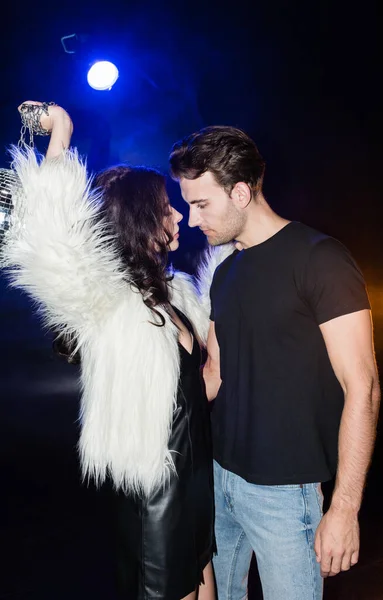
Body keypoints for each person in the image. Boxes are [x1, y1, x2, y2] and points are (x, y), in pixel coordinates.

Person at [1, 102, 216, 600]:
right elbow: (52, 243)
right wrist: (62, 133)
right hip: (154, 496)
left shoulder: (176, 294)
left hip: (194, 489)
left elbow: (196, 391)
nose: (177, 213)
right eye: (166, 206)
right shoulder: (105, 299)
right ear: (141, 217)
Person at [169, 125, 381, 600]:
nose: (190, 216)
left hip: (286, 496)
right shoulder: (224, 273)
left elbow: (362, 388)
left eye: (201, 203)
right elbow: (213, 376)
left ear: (240, 192)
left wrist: (344, 509)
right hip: (219, 478)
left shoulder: (320, 259)